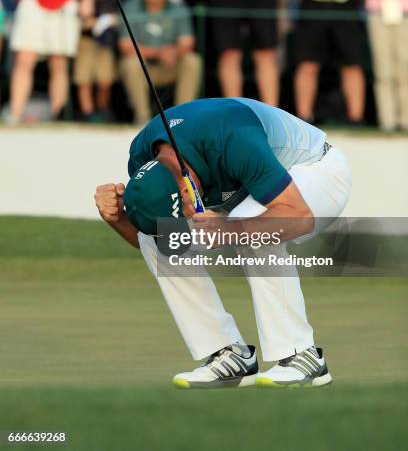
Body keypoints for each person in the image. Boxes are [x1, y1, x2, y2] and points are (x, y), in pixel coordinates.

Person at [94, 96, 352, 388]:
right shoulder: (141, 155)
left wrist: (230, 230)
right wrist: (117, 219)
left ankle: (301, 355)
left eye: (185, 202)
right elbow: (156, 240)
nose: (188, 218)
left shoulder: (233, 139)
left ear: (185, 180)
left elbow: (299, 217)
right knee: (161, 243)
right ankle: (229, 355)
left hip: (316, 170)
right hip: (250, 187)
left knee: (255, 227)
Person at [118, 0, 202, 123]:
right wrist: (158, 53)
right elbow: (125, 45)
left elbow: (187, 42)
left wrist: (174, 52)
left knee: (192, 60)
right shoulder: (132, 7)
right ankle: (142, 118)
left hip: (170, 66)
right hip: (144, 68)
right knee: (130, 63)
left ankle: (182, 118)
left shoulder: (178, 9)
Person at [363, 0, 408, 130]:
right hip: (380, 14)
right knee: (384, 69)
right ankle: (387, 120)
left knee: (404, 67)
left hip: (402, 14)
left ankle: (405, 119)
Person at [73, 0, 118, 122]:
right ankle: (88, 113)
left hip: (106, 43)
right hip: (86, 41)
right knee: (84, 80)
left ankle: (102, 111)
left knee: (105, 81)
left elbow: (119, 18)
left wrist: (108, 21)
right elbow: (81, 19)